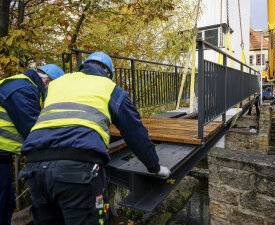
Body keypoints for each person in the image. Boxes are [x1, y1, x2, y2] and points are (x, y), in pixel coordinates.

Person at [19, 52, 171, 225]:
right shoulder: (109, 87)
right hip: (78, 168)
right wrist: (155, 167)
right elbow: (135, 132)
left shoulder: (58, 83)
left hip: (34, 166)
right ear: (108, 74)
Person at [0, 64, 65, 225]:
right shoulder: (24, 89)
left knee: (6, 201)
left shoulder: (22, 85)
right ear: (48, 82)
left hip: (2, 154)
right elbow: (33, 131)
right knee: (3, 202)